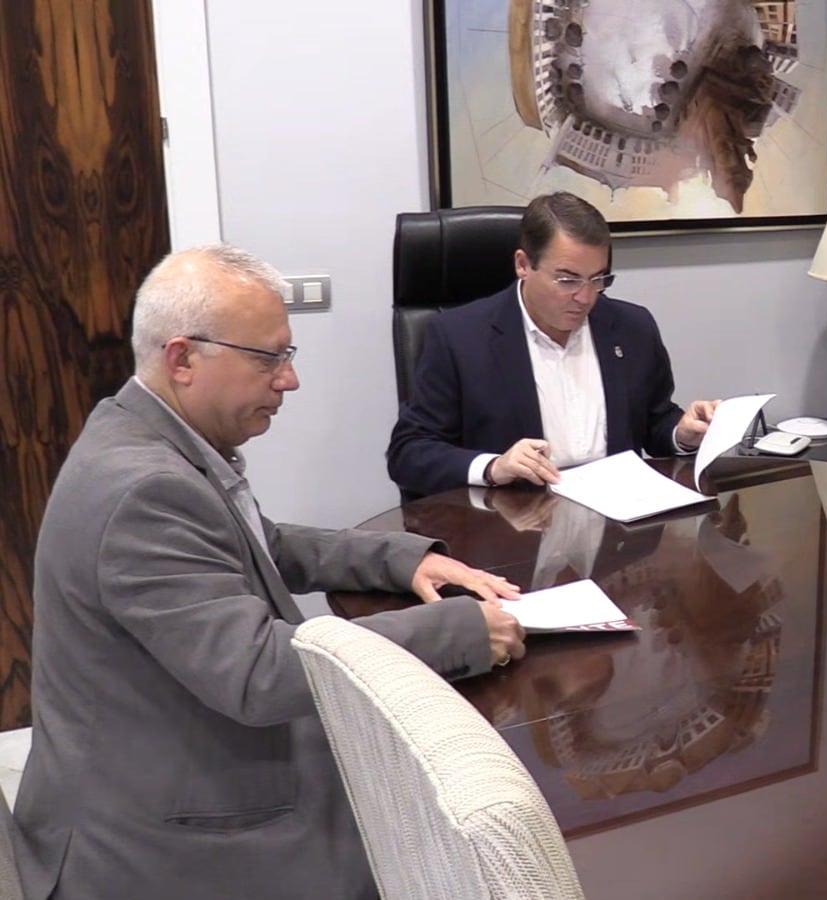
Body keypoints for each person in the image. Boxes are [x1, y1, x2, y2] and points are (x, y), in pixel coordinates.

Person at [11, 245, 529, 900]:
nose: (289, 381)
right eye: (269, 358)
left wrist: (404, 558)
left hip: (163, 761)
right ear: (182, 358)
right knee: (439, 828)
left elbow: (261, 541)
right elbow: (260, 675)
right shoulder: (143, 490)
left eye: (288, 356)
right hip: (151, 837)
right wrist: (454, 632)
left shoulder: (144, 429)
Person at [387, 191, 719, 499]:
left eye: (598, 278)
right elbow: (409, 452)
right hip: (513, 528)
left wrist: (682, 433)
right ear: (522, 265)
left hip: (617, 526)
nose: (585, 296)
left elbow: (653, 421)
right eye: (567, 279)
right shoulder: (458, 336)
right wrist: (493, 467)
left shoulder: (632, 328)